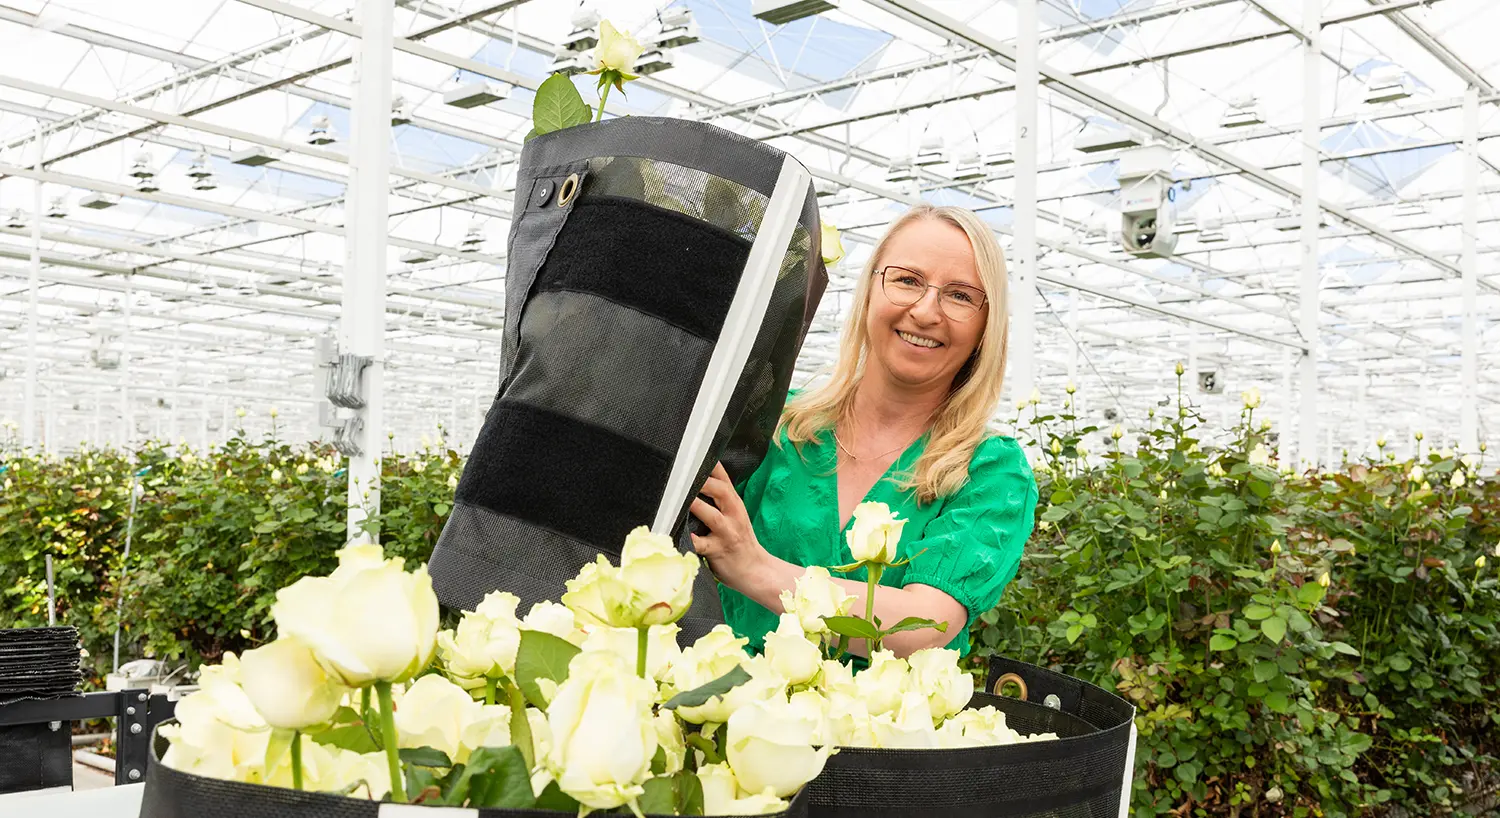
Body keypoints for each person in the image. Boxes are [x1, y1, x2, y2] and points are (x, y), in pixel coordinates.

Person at [689, 203, 1039, 659]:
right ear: (870, 290)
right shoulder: (772, 422)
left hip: (879, 711)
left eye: (959, 295)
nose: (925, 311)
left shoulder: (989, 470)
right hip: (728, 699)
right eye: (907, 280)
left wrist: (754, 569)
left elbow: (924, 625)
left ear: (985, 326)